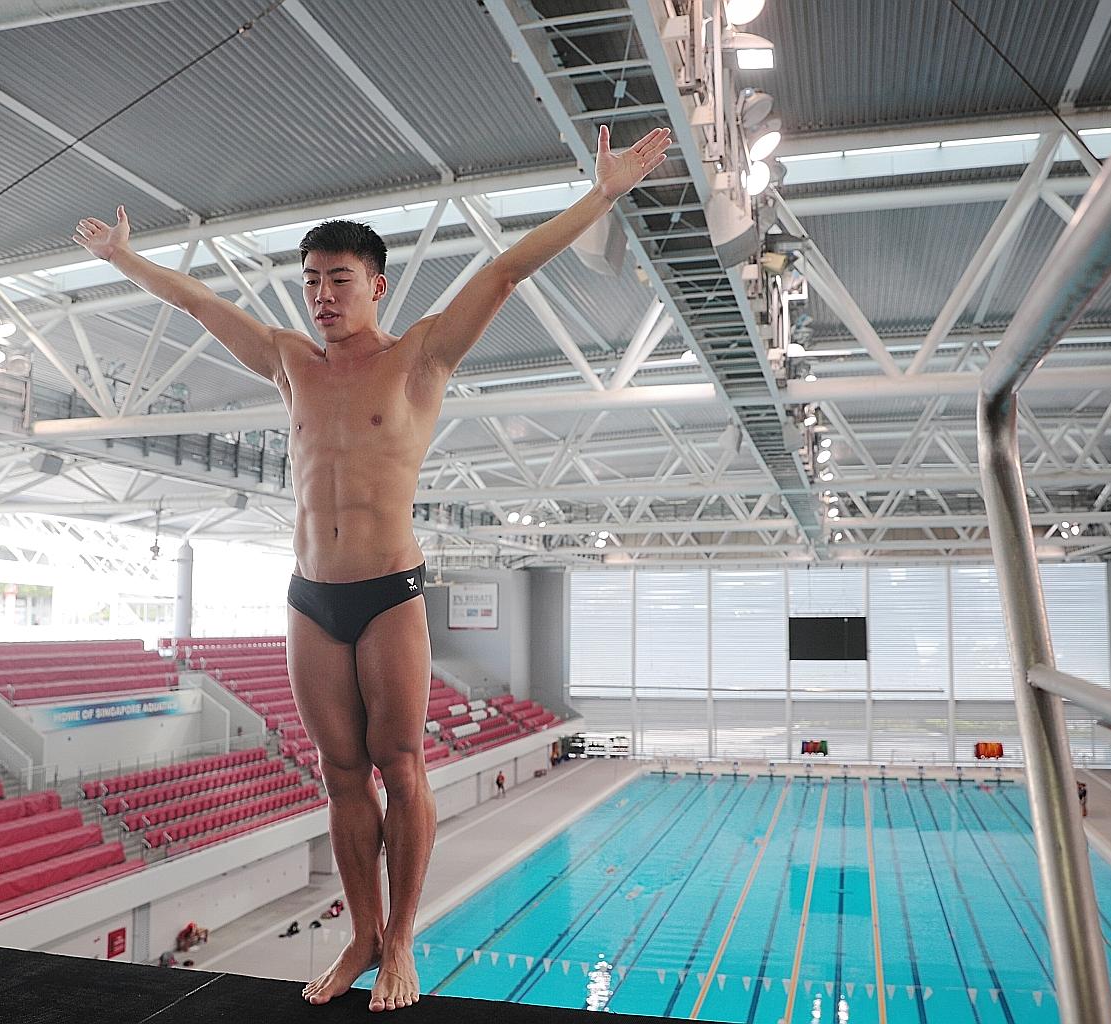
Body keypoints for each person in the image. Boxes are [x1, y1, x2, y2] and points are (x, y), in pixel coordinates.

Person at [72, 123, 670, 1014]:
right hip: (310, 596)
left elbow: (505, 270)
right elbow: (199, 305)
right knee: (339, 772)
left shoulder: (420, 355)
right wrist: (126, 260)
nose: (320, 297)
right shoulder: (287, 362)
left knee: (401, 763)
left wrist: (603, 195)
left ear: (376, 285)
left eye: (338, 280)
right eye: (310, 281)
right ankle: (359, 932)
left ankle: (401, 943)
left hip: (390, 591)